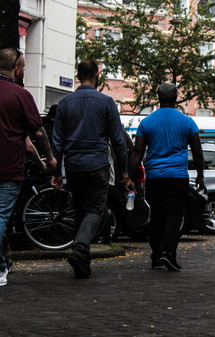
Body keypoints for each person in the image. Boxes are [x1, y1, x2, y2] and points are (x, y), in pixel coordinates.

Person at [51, 60, 132, 279]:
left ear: (78, 76)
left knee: (79, 210)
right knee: (95, 211)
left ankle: (82, 262)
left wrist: (57, 171)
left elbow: (57, 142)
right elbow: (118, 142)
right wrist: (123, 172)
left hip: (74, 165)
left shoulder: (64, 103)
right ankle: (79, 248)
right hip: (97, 164)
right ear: (97, 75)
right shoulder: (106, 103)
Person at [128, 82, 205, 272]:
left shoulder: (147, 122)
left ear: (158, 98)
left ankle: (156, 256)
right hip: (177, 177)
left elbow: (138, 152)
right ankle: (167, 252)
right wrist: (201, 175)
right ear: (176, 98)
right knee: (174, 215)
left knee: (157, 216)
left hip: (154, 177)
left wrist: (129, 176)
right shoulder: (187, 122)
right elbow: (197, 151)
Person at [0, 47, 57, 287]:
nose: (24, 71)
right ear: (16, 69)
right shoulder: (20, 95)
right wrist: (49, 159)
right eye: (23, 67)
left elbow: (25, 142)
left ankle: (5, 260)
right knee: (1, 216)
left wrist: (38, 161)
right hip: (8, 168)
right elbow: (35, 133)